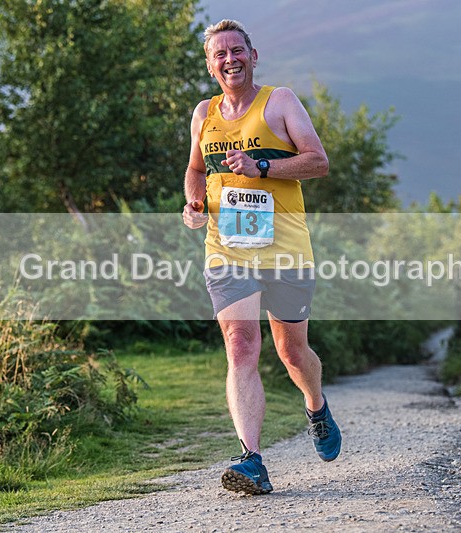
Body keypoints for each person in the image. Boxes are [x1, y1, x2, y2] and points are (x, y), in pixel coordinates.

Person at [181, 19, 341, 495]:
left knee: (292, 351)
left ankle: (315, 405)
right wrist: (193, 205)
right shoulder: (203, 114)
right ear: (210, 65)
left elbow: (318, 161)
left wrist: (263, 166)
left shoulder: (281, 101)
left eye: (237, 51)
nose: (229, 59)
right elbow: (194, 170)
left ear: (253, 55)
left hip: (285, 249)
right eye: (219, 54)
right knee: (241, 345)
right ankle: (252, 459)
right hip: (226, 248)